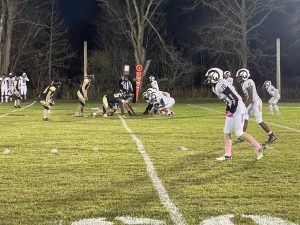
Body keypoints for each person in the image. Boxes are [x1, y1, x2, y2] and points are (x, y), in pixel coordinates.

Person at [204, 68, 265, 161]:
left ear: (215, 76)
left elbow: (235, 99)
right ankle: (227, 155)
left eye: (209, 77)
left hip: (238, 108)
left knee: (239, 133)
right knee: (226, 131)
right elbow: (229, 100)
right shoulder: (215, 86)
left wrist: (231, 111)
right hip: (233, 106)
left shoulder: (221, 84)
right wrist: (228, 110)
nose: (208, 79)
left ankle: (259, 147)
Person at [236, 69, 276, 143]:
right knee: (245, 118)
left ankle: (272, 135)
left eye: (240, 76)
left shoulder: (248, 82)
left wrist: (243, 107)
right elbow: (248, 97)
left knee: (259, 120)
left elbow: (251, 98)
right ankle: (242, 136)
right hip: (251, 102)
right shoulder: (243, 83)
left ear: (244, 76)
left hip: (256, 102)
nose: (238, 78)